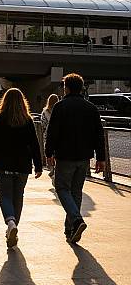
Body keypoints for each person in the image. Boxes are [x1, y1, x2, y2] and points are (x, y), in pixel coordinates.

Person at [45, 73, 105, 244]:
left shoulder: (60, 107)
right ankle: (70, 229)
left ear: (67, 88)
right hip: (84, 157)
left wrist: (48, 153)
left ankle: (76, 220)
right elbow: (98, 134)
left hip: (65, 156)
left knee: (62, 188)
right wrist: (101, 158)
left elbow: (52, 132)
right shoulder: (91, 108)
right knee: (76, 191)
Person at [0, 88, 42, 249]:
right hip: (23, 166)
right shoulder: (28, 120)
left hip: (3, 164)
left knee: (5, 196)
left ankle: (10, 222)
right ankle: (14, 224)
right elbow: (35, 145)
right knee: (18, 197)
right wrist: (38, 165)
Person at [41, 94, 59, 182]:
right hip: (58, 135)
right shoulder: (60, 110)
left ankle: (51, 168)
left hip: (47, 135)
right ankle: (56, 168)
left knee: (49, 152)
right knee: (57, 151)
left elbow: (43, 124)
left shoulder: (45, 112)